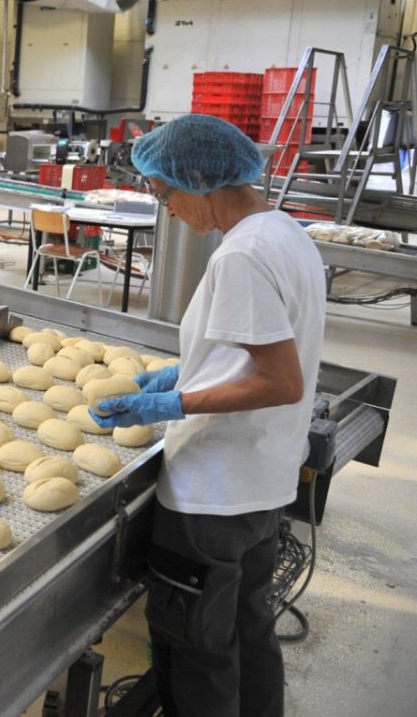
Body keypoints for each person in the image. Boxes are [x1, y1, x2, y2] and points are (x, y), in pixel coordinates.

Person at [89, 114, 326, 717]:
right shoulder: (284, 233)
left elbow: (279, 378)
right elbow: (265, 349)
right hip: (262, 481)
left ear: (198, 180)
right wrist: (185, 370)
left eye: (164, 192)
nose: (166, 209)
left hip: (213, 495)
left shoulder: (240, 257)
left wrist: (174, 402)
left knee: (197, 648)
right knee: (248, 631)